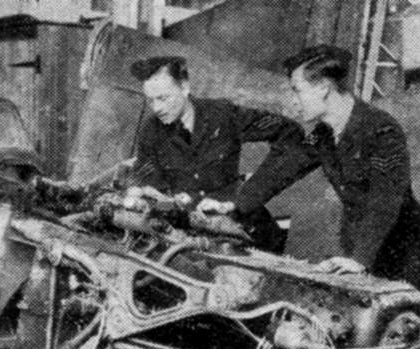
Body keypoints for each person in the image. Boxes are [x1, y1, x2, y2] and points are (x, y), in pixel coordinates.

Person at [234, 45, 420, 322]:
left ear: (323, 88)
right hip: (363, 259)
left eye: (297, 91)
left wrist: (359, 260)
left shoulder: (382, 129)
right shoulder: (323, 134)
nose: (294, 101)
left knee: (411, 334)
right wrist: (234, 207)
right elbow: (285, 167)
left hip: (408, 261)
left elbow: (385, 200)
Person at [127, 56, 302, 252]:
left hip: (245, 227)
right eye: (150, 100)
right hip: (195, 235)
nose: (157, 108)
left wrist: (254, 188)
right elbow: (147, 183)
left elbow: (290, 132)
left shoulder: (223, 114)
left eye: (163, 98)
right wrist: (151, 195)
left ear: (184, 87)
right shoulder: (151, 131)